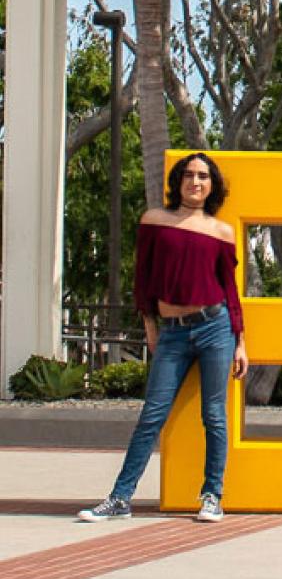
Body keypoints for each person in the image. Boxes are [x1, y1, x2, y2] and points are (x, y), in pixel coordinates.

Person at [78, 153, 248, 524]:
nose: (195, 182)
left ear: (212, 185)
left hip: (215, 327)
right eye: (188, 174)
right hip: (171, 333)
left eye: (203, 176)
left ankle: (212, 496)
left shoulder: (221, 231)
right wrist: (150, 326)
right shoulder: (154, 220)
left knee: (214, 415)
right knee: (151, 415)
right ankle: (120, 498)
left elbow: (229, 288)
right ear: (178, 180)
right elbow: (143, 278)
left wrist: (240, 341)